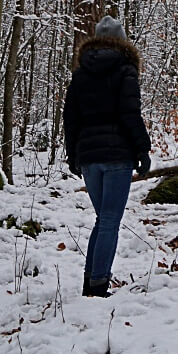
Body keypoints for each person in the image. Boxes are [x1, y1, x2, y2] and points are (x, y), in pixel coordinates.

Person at [64, 15, 151, 297]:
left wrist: (72, 154)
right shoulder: (125, 70)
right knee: (110, 221)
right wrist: (143, 149)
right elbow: (130, 114)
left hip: (89, 156)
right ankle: (99, 284)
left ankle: (91, 281)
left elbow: (70, 117)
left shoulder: (80, 74)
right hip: (117, 156)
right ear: (122, 40)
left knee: (103, 220)